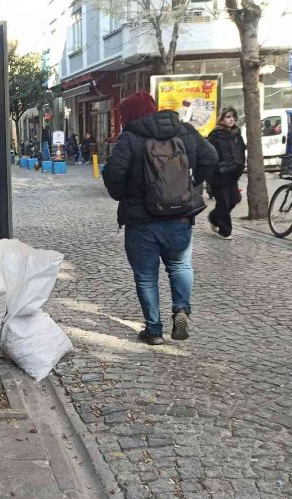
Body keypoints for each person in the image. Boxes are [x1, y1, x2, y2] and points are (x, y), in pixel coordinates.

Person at [103, 92, 218, 345]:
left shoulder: (130, 138)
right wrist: (190, 185)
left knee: (146, 276)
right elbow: (210, 157)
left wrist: (125, 194)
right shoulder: (185, 131)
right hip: (179, 218)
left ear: (129, 116)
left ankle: (154, 330)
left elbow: (113, 173)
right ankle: (181, 310)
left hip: (141, 222)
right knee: (179, 266)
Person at [206, 107, 246, 240]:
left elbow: (241, 151)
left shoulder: (236, 134)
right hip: (219, 175)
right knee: (224, 202)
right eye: (228, 117)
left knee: (234, 200)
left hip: (233, 174)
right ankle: (225, 231)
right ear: (222, 118)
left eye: (233, 117)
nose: (232, 119)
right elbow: (209, 156)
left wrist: (240, 167)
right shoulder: (215, 135)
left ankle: (214, 218)